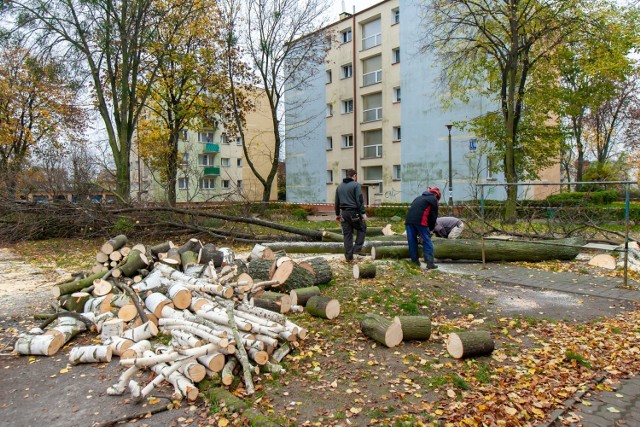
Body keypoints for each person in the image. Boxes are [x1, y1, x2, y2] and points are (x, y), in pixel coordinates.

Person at [334, 168, 367, 261]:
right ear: (354, 176)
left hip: (343, 213)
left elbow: (336, 202)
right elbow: (359, 199)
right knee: (362, 228)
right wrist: (363, 213)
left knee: (347, 234)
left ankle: (348, 257)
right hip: (354, 212)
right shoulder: (356, 185)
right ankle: (357, 249)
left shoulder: (339, 187)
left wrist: (337, 214)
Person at [405, 186, 440, 269]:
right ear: (436, 194)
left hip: (409, 221)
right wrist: (430, 228)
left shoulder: (418, 198)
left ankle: (415, 262)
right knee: (427, 240)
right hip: (421, 221)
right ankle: (430, 263)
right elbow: (433, 216)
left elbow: (415, 210)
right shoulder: (434, 199)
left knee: (412, 241)